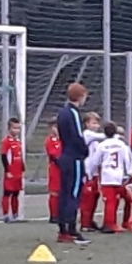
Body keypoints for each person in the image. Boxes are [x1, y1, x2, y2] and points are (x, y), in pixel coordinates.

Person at [55, 82, 90, 245]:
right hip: (74, 158)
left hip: (66, 156)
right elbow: (77, 136)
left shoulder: (62, 112)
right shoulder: (73, 113)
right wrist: (84, 151)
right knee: (73, 194)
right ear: (81, 96)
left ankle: (64, 229)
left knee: (65, 193)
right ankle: (69, 229)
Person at [86, 122, 132, 234]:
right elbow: (128, 159)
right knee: (127, 199)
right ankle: (124, 222)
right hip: (119, 176)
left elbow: (95, 161)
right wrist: (130, 173)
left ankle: (110, 224)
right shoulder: (121, 144)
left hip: (107, 177)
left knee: (110, 202)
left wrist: (90, 174)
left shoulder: (102, 145)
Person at [79, 111, 103, 232]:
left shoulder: (95, 140)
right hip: (87, 171)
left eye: (97, 123)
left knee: (94, 196)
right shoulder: (87, 134)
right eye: (93, 123)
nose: (96, 125)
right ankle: (85, 223)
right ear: (87, 124)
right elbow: (102, 136)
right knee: (87, 198)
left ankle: (89, 220)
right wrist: (112, 134)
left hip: (94, 172)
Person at [0, 116, 25, 222]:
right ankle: (5, 214)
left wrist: (23, 167)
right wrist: (7, 171)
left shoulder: (18, 141)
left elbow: (19, 155)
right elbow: (4, 156)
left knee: (16, 193)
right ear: (9, 128)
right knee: (7, 192)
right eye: (14, 128)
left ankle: (15, 214)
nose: (16, 130)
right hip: (11, 171)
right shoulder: (6, 141)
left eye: (18, 128)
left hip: (18, 171)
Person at [44, 118, 62, 224]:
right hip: (55, 168)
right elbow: (53, 155)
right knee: (54, 192)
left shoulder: (62, 140)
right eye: (55, 127)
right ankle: (53, 215)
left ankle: (60, 213)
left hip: (63, 169)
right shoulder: (50, 140)